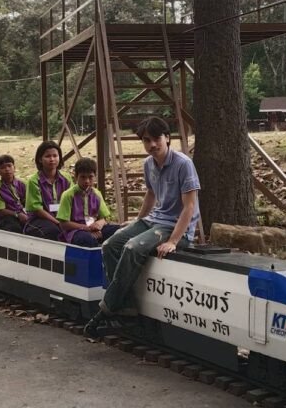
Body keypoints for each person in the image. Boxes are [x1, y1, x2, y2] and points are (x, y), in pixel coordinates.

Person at [85, 117, 200, 338]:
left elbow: (189, 207)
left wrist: (173, 241)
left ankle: (106, 309)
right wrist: (138, 221)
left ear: (167, 137)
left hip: (175, 227)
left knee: (132, 247)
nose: (152, 144)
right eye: (147, 140)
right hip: (154, 220)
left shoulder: (183, 164)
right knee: (110, 245)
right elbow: (151, 194)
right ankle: (126, 307)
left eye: (157, 139)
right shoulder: (149, 164)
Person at [56, 158, 120, 247]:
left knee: (119, 231)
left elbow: (104, 218)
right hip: (76, 231)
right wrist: (87, 229)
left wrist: (99, 224)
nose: (87, 181)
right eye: (83, 177)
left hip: (95, 229)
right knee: (86, 239)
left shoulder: (97, 194)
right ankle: (97, 252)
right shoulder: (68, 195)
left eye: (90, 177)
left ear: (95, 176)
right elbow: (64, 224)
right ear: (76, 177)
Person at [23, 141, 70, 240]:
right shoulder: (34, 181)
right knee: (54, 232)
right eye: (48, 156)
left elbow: (73, 200)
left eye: (55, 156)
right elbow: (37, 210)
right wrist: (58, 223)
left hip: (63, 217)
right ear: (40, 159)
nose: (52, 159)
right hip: (39, 220)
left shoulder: (67, 178)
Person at [0, 155, 27, 233]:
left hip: (24, 213)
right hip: (6, 216)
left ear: (14, 167)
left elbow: (27, 200)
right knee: (14, 228)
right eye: (3, 167)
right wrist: (17, 214)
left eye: (9, 166)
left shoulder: (22, 183)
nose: (7, 169)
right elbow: (1, 210)